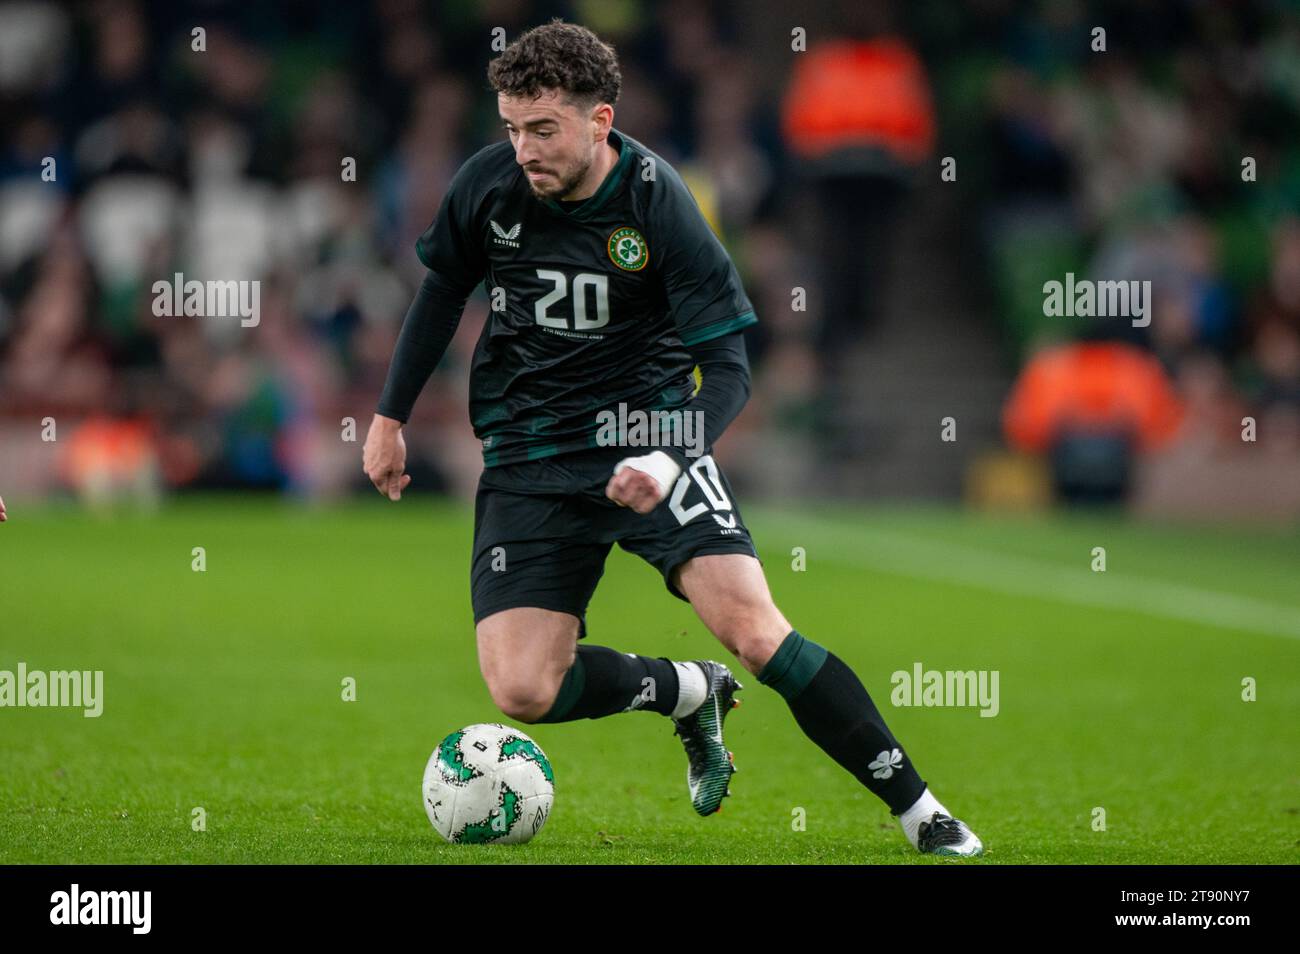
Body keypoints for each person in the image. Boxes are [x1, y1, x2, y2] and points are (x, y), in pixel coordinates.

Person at [363, 19, 981, 856]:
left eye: (542, 129)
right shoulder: (489, 186)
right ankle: (687, 692)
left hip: (646, 436)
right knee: (520, 691)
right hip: (529, 456)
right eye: (511, 128)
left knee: (758, 631)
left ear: (600, 121)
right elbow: (441, 294)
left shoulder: (659, 202)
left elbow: (728, 368)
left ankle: (922, 812)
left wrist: (667, 452)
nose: (524, 149)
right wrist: (389, 417)